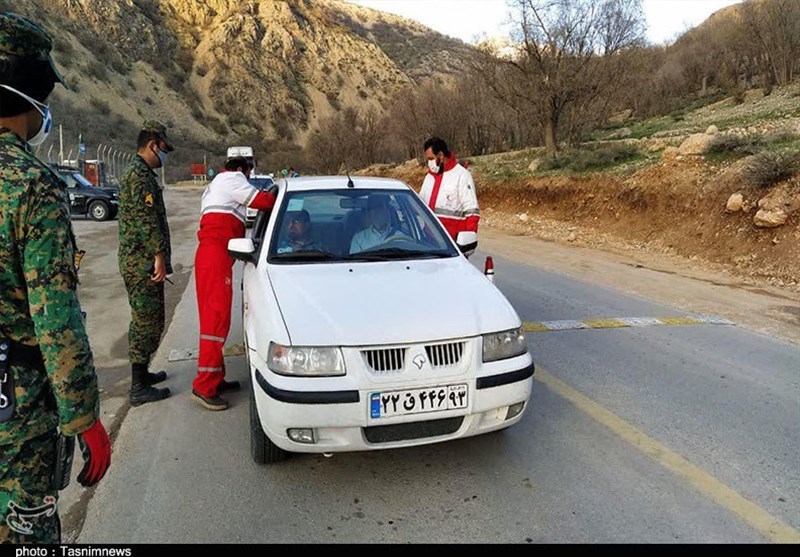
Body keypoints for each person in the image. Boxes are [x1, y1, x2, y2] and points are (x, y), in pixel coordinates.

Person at [0, 12, 110, 543]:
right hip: (15, 422)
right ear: (29, 94)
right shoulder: (31, 185)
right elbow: (55, 323)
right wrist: (84, 417)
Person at [192, 156, 277, 411]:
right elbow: (263, 201)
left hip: (213, 255)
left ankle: (216, 378)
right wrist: (281, 198)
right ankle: (204, 386)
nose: (249, 178)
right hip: (214, 255)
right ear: (242, 169)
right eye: (249, 173)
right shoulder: (232, 179)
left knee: (217, 320)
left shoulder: (218, 183)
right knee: (215, 321)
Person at [117, 120, 174, 407]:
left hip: (140, 261)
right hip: (143, 264)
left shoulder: (138, 173)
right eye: (164, 149)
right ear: (153, 145)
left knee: (149, 320)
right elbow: (146, 222)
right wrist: (159, 258)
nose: (165, 156)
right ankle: (138, 386)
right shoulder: (139, 177)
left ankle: (143, 374)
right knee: (145, 322)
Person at [419, 137, 480, 254]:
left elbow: (472, 213)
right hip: (428, 245)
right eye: (427, 160)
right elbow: (420, 208)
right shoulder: (429, 177)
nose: (429, 163)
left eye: (431, 158)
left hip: (452, 248)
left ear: (441, 155)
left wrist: (467, 245)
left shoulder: (461, 176)